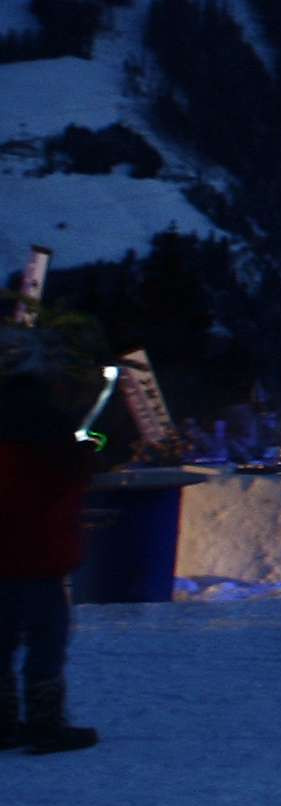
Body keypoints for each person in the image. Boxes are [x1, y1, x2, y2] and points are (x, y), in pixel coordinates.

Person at [0, 293, 102, 752]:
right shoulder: (48, 419)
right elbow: (67, 475)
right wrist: (90, 451)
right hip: (38, 549)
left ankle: (2, 722)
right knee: (46, 636)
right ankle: (45, 722)